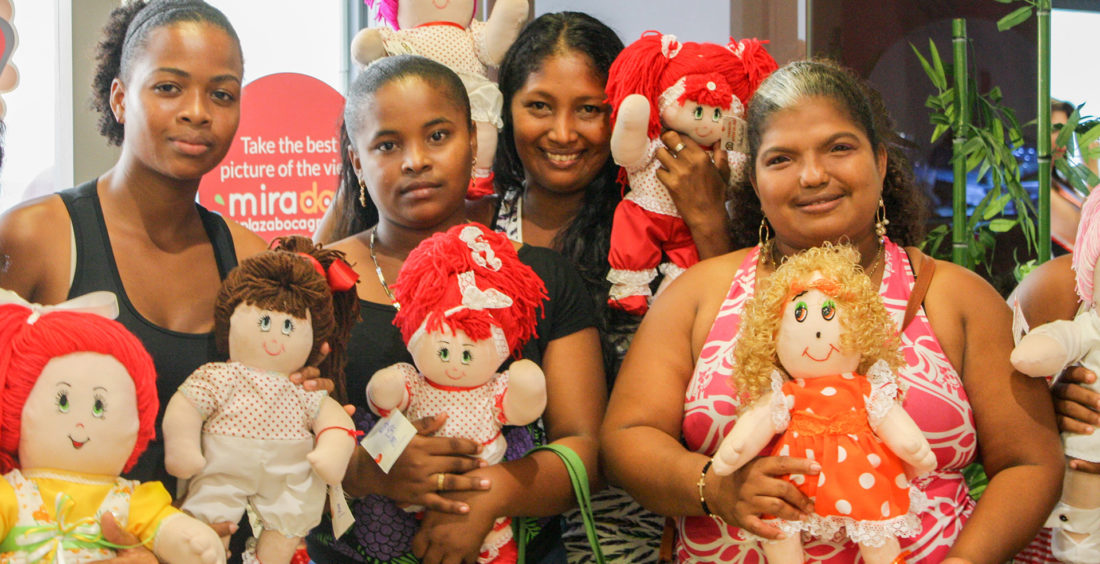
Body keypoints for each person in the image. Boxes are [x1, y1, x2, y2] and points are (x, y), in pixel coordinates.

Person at [600, 59, 1064, 563]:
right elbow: (627, 438)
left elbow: (1030, 463)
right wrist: (713, 487)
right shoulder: (699, 293)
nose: (814, 175)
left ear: (881, 163)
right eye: (780, 159)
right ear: (753, 180)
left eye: (839, 148)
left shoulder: (957, 298)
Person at [0, 1, 329, 560]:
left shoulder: (249, 257)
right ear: (122, 97)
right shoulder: (38, 236)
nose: (197, 112)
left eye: (221, 94)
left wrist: (302, 394)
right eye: (169, 88)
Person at [304, 54, 606, 563]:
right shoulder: (316, 284)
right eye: (387, 145)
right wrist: (366, 468)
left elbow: (586, 451)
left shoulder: (541, 279)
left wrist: (496, 491)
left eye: (438, 136)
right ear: (356, 160)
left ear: (473, 140)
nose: (415, 160)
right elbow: (266, 432)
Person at [481, 12, 735, 561]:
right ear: (508, 109)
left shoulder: (655, 235)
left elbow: (731, 347)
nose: (564, 132)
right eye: (539, 105)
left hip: (637, 534)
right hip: (500, 530)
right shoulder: (479, 228)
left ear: (624, 111)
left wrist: (708, 221)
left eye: (590, 110)